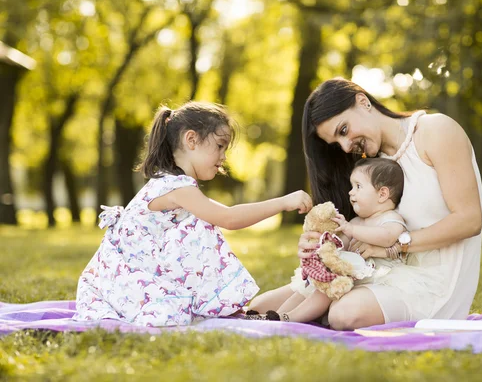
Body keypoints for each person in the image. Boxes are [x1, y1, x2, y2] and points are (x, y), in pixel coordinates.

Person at [249, 77, 482, 330]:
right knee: (257, 308)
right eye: (337, 143)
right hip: (379, 270)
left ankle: (319, 314)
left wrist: (393, 248)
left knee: (345, 314)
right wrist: (318, 247)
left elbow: (469, 220)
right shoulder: (371, 165)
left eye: (343, 130)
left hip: (433, 282)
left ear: (363, 102)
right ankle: (314, 311)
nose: (346, 145)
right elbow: (357, 229)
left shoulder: (435, 131)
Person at [73, 102, 312, 327]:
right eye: (220, 146)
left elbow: (226, 213)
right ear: (191, 140)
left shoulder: (174, 184)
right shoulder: (177, 188)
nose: (224, 156)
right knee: (201, 227)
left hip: (126, 282)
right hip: (122, 287)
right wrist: (284, 202)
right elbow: (229, 218)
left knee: (198, 224)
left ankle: (214, 305)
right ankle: (216, 306)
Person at [246, 158, 407, 322]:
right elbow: (340, 246)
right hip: (344, 276)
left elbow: (387, 237)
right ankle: (275, 315)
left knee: (324, 291)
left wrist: (351, 230)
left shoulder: (391, 218)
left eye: (358, 186)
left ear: (382, 194)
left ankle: (289, 318)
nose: (351, 192)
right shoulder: (356, 222)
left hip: (374, 280)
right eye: (352, 187)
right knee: (306, 289)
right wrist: (325, 244)